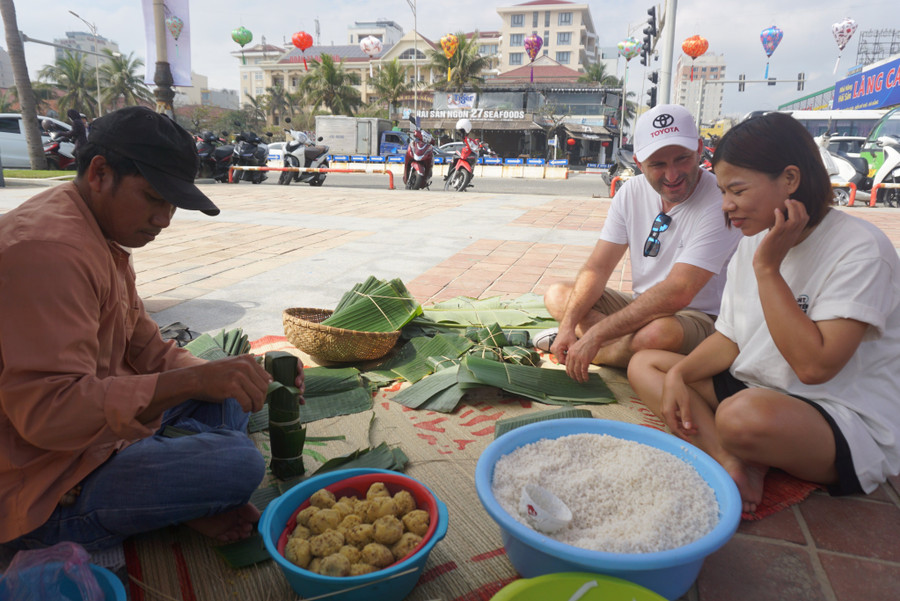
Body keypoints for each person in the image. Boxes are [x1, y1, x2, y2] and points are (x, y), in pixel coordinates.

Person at [0, 106, 303, 552]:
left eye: (173, 205)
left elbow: (145, 347)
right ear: (100, 173)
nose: (164, 219)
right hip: (45, 480)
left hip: (102, 436)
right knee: (236, 464)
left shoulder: (97, 233)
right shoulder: (48, 251)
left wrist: (230, 374)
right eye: (153, 198)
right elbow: (49, 416)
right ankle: (179, 498)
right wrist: (196, 380)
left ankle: (183, 495)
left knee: (233, 399)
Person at [627, 112, 900, 513]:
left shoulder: (860, 249)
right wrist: (682, 375)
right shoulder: (753, 240)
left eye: (736, 190)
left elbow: (814, 368)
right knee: (647, 364)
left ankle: (742, 446)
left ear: (790, 179)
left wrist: (769, 270)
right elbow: (731, 338)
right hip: (762, 389)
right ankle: (731, 461)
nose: (726, 206)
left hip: (837, 414)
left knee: (741, 418)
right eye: (721, 191)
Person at [540, 104, 742, 380]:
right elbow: (598, 268)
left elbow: (679, 291)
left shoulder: (720, 200)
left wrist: (596, 334)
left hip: (699, 318)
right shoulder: (631, 192)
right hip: (643, 307)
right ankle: (616, 347)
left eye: (682, 158)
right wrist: (567, 326)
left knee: (658, 333)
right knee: (558, 295)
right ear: (638, 162)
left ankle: (596, 351)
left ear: (698, 149)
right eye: (658, 164)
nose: (672, 175)